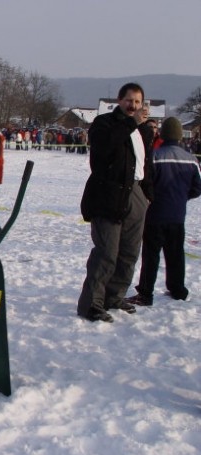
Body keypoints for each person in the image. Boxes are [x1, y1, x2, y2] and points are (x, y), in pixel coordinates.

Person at [77, 82, 154, 323]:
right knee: (107, 252)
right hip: (108, 195)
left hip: (136, 193)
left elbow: (146, 163)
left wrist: (148, 194)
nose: (133, 106)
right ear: (119, 101)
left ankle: (114, 295)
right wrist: (132, 123)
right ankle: (92, 303)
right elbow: (104, 151)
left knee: (129, 252)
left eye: (138, 102)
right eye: (129, 101)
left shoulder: (143, 130)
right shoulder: (104, 124)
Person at [126, 117, 201, 307]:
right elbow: (197, 187)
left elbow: (145, 184)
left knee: (151, 255)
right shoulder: (191, 159)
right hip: (177, 215)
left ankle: (145, 293)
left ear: (163, 134)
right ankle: (177, 289)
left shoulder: (155, 156)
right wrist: (181, 198)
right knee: (175, 254)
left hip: (154, 215)